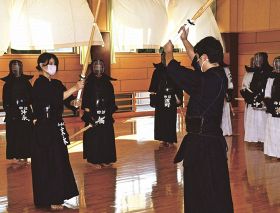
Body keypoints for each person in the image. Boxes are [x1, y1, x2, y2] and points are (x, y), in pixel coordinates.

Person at [164, 26, 233, 212]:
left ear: (205, 58)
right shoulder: (218, 75)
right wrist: (185, 40)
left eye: (200, 58)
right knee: (214, 188)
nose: (197, 60)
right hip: (211, 143)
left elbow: (173, 69)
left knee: (200, 190)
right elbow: (195, 57)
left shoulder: (203, 81)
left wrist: (168, 52)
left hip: (202, 145)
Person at [31, 52, 83, 210]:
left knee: (59, 161)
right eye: (49, 63)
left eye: (54, 63)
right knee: (47, 162)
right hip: (43, 129)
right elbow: (53, 98)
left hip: (56, 126)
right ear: (41, 65)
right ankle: (49, 197)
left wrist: (75, 101)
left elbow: (66, 101)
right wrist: (75, 87)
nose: (53, 66)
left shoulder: (57, 84)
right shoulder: (38, 84)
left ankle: (59, 195)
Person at [81, 60, 117, 168]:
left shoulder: (107, 83)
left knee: (106, 137)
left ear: (103, 68)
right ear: (92, 68)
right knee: (94, 138)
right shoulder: (89, 83)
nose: (98, 68)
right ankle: (94, 160)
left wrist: (109, 112)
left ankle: (106, 158)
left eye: (100, 66)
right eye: (96, 66)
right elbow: (86, 100)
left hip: (105, 114)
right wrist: (89, 115)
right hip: (93, 114)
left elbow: (111, 99)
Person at [149, 50, 183, 147]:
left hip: (171, 97)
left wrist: (179, 98)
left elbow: (179, 86)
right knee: (161, 119)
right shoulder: (158, 71)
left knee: (170, 118)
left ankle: (170, 139)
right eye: (162, 56)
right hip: (160, 98)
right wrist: (153, 99)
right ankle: (163, 139)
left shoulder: (175, 70)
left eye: (166, 56)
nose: (164, 58)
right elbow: (153, 87)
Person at [2, 60, 33, 163]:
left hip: (24, 111)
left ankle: (25, 154)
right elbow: (5, 100)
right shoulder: (8, 84)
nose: (16, 68)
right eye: (13, 66)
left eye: (18, 65)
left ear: (21, 67)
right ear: (10, 68)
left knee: (25, 134)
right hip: (13, 113)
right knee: (13, 135)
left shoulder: (26, 82)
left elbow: (32, 97)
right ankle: (15, 155)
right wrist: (9, 111)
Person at [243, 52, 272, 143]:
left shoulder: (270, 71)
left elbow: (269, 86)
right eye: (255, 59)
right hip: (254, 99)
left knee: (263, 118)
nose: (256, 61)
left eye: (258, 59)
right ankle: (254, 137)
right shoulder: (255, 71)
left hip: (264, 100)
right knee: (254, 118)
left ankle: (263, 137)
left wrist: (263, 97)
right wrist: (250, 95)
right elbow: (253, 84)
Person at [264, 56, 280, 158]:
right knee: (274, 130)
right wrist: (269, 106)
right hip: (273, 107)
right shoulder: (271, 78)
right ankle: (274, 151)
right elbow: (267, 93)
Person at [240, 57, 255, 128]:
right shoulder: (247, 73)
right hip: (249, 98)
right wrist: (245, 95)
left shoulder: (261, 73)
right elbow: (243, 86)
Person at [221, 64, 234, 136]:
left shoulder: (226, 69)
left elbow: (230, 82)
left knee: (224, 111)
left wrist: (229, 93)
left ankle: (225, 130)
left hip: (224, 94)